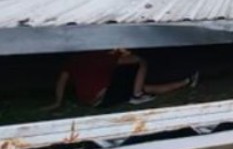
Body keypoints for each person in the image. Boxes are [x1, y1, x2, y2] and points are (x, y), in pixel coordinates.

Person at [45, 48, 197, 110]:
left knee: (143, 86)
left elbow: (61, 81)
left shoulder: (74, 59)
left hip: (93, 103)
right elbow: (136, 59)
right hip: (106, 97)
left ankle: (187, 81)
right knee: (140, 63)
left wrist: (57, 102)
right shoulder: (99, 56)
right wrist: (123, 52)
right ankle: (137, 96)